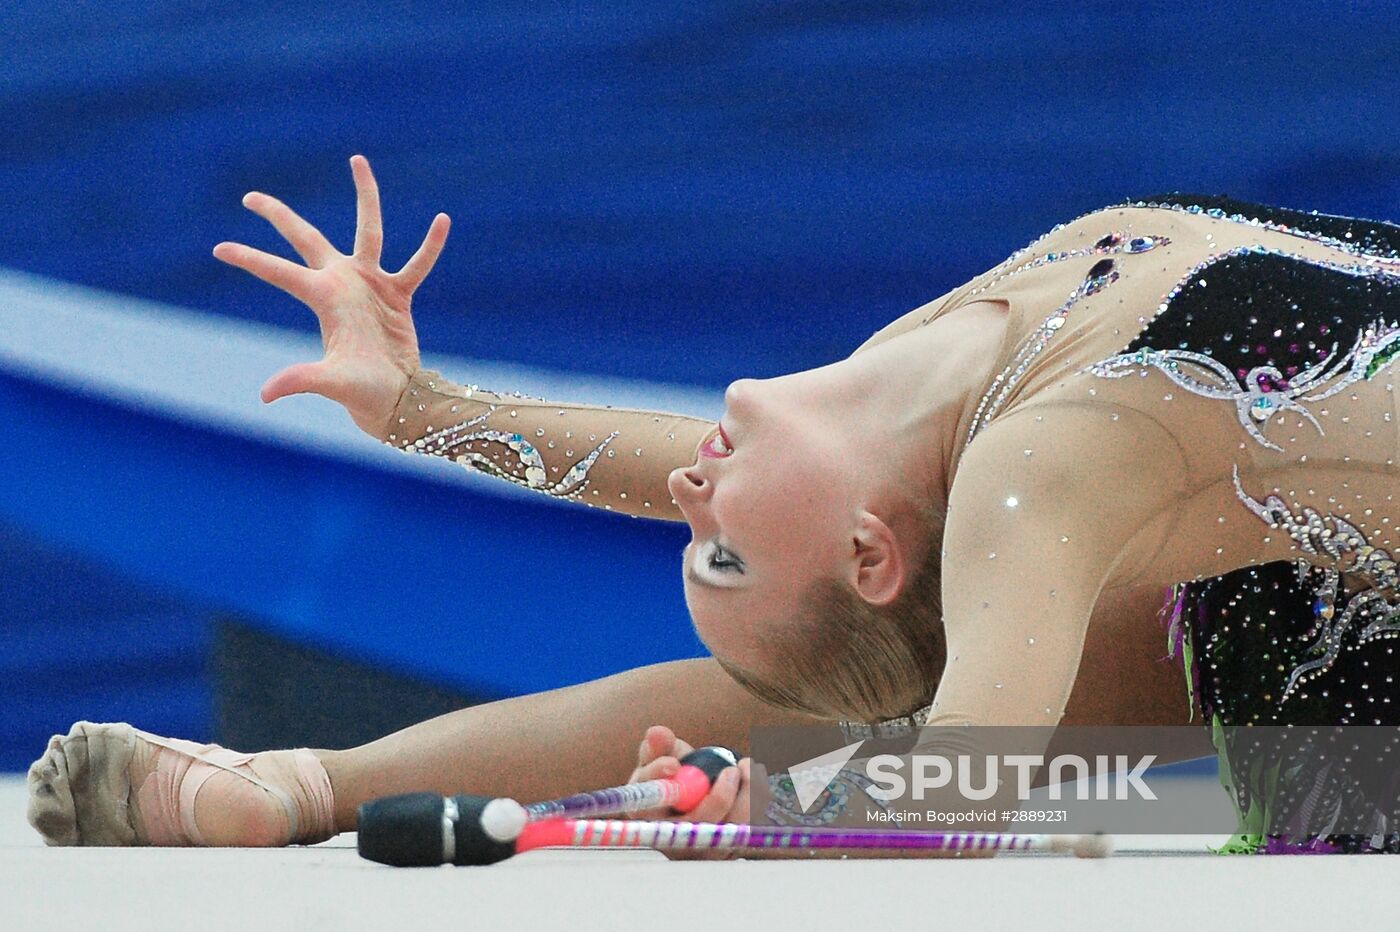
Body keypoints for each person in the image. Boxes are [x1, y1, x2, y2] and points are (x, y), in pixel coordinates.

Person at [28, 156, 1400, 854]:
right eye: (725, 548)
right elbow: (967, 780)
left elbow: (706, 475)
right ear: (872, 554)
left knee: (1123, 676)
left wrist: (419, 409)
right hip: (1345, 665)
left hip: (1336, 633)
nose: (689, 491)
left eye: (702, 539)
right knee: (1117, 683)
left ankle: (311, 785)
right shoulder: (1033, 476)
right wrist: (826, 815)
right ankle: (310, 788)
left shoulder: (946, 406)